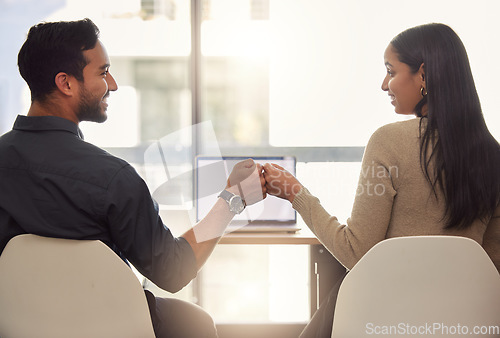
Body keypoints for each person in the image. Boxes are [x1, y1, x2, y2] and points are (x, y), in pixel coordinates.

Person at [0, 18, 266, 337]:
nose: (112, 84)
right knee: (196, 323)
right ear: (65, 83)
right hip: (109, 326)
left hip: (18, 325)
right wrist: (232, 199)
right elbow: (173, 271)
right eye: (102, 72)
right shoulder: (113, 178)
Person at [263, 23, 500, 338]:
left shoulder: (388, 141)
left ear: (424, 75)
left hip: (383, 321)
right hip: (465, 325)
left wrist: (297, 195)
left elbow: (356, 253)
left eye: (391, 70)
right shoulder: (493, 154)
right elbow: (492, 263)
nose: (384, 83)